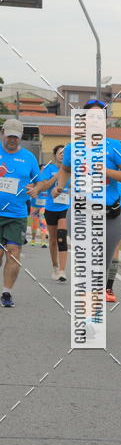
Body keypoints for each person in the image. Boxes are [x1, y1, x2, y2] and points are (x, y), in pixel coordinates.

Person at [53, 99, 121, 302]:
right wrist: (60, 186)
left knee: (102, 265)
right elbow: (65, 169)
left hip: (109, 215)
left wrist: (106, 171)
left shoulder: (114, 147)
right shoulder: (74, 148)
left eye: (99, 118)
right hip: (82, 212)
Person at [0, 118, 40, 307]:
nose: (12, 140)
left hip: (17, 214)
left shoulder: (29, 158)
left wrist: (36, 189)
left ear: (20, 137)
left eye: (15, 137)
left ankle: (6, 293)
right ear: (3, 134)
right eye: (9, 136)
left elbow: (38, 181)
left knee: (13, 252)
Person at [29, 145, 70, 281]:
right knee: (52, 240)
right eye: (60, 153)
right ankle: (55, 266)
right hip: (51, 208)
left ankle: (63, 270)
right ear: (54, 155)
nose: (62, 155)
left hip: (66, 208)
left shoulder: (71, 169)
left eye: (65, 153)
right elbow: (44, 187)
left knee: (62, 236)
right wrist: (56, 177)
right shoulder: (49, 169)